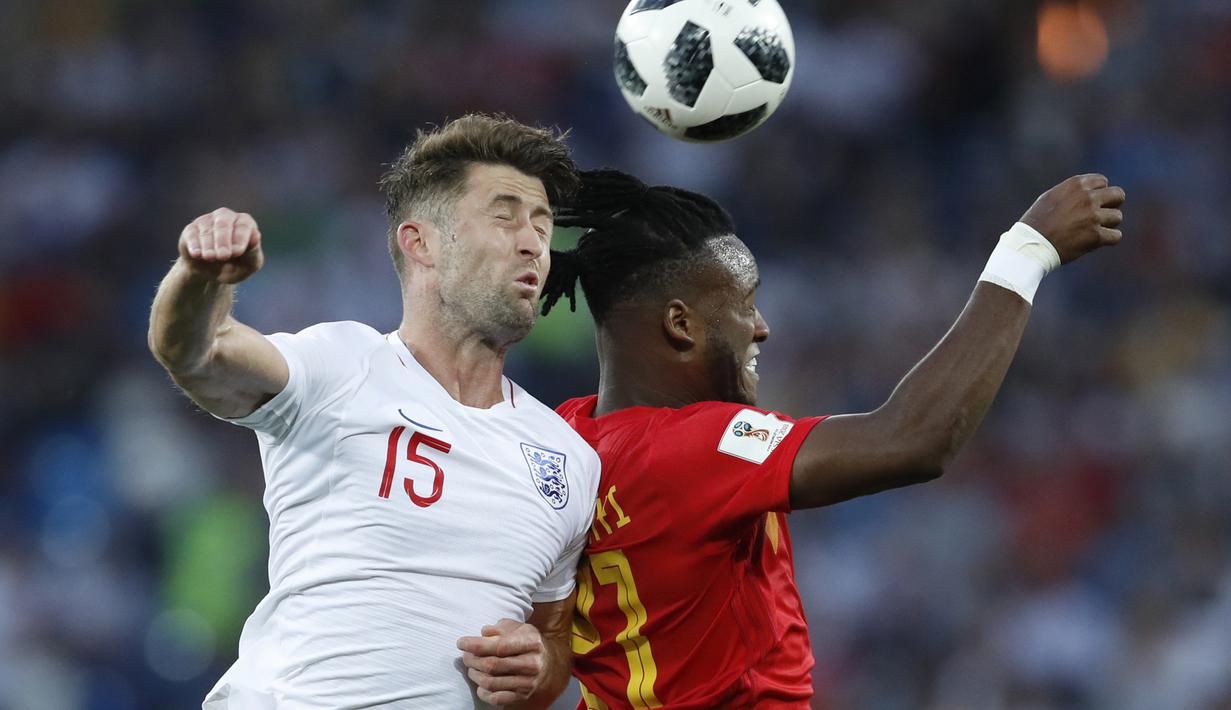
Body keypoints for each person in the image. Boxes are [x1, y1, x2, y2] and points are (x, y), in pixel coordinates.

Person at [540, 169, 1125, 708]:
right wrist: (1024, 253)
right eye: (744, 304)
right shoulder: (697, 447)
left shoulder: (565, 438)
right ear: (681, 324)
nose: (762, 326)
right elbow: (913, 439)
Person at [148, 114, 601, 709]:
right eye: (504, 214)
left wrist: (538, 665)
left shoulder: (568, 460)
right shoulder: (343, 365)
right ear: (422, 242)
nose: (533, 243)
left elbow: (552, 643)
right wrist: (200, 276)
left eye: (542, 226)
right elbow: (195, 351)